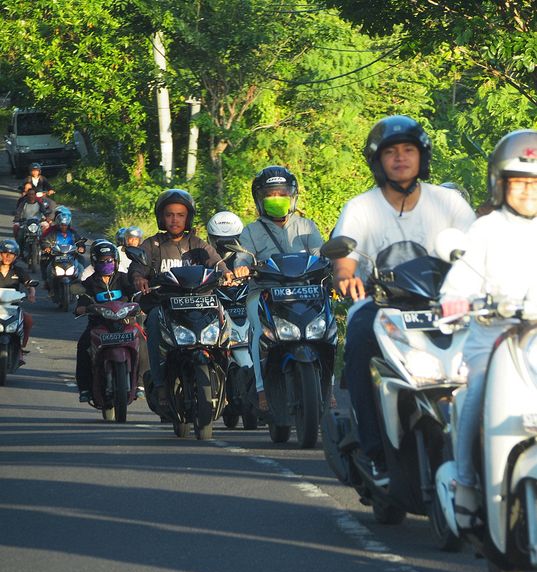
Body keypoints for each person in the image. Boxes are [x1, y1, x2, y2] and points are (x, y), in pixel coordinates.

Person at [331, 115, 476, 485]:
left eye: (408, 150)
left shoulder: (449, 203)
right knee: (359, 344)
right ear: (377, 161)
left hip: (444, 306)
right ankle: (375, 451)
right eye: (391, 152)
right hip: (379, 305)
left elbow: (477, 252)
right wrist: (346, 276)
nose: (400, 158)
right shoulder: (361, 207)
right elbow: (344, 256)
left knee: (485, 350)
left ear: (422, 156)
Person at [440, 129, 537, 527]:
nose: (528, 191)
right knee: (476, 391)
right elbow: (456, 286)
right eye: (519, 182)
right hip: (491, 342)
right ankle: (465, 483)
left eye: (536, 183)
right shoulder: (485, 229)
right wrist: (458, 302)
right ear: (500, 183)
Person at [129, 189, 248, 408]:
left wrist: (228, 275)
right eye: (170, 214)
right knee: (152, 323)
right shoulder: (152, 245)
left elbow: (217, 264)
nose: (175, 219)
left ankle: (226, 376)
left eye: (180, 215)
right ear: (161, 217)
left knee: (225, 324)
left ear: (188, 218)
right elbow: (138, 267)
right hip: (165, 307)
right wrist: (139, 279)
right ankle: (161, 385)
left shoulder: (199, 244)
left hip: (201, 306)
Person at [233, 166, 323, 411]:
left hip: (306, 292)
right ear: (260, 199)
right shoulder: (251, 230)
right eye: (271, 195)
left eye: (282, 193)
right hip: (264, 292)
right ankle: (262, 389)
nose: (277, 199)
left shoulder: (307, 226)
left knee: (327, 331)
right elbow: (242, 257)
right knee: (259, 330)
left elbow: (320, 254)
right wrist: (242, 267)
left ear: (292, 196)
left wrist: (333, 265)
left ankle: (328, 383)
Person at [75, 240, 148, 402]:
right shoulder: (89, 283)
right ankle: (85, 388)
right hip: (99, 325)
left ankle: (142, 384)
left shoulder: (124, 279)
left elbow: (137, 294)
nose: (107, 264)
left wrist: (141, 303)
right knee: (83, 345)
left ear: (116, 261)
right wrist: (86, 308)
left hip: (126, 323)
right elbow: (79, 306)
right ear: (94, 262)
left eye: (110, 260)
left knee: (143, 341)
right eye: (102, 261)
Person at [0, 239, 36, 362]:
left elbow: (29, 284)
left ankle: (20, 348)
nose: (8, 257)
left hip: (13, 308)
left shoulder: (18, 271)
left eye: (11, 254)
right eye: (5, 253)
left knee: (28, 320)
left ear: (15, 256)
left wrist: (31, 294)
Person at [42, 208, 85, 287]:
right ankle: (48, 283)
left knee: (81, 264)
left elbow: (80, 241)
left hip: (71, 256)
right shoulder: (52, 233)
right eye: (62, 224)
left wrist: (81, 247)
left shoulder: (73, 233)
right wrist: (46, 247)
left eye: (66, 225)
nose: (64, 227)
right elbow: (45, 241)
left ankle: (79, 282)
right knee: (47, 264)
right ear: (58, 224)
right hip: (56, 256)